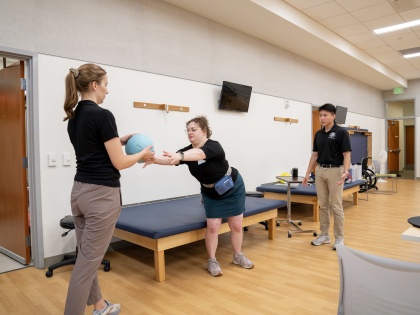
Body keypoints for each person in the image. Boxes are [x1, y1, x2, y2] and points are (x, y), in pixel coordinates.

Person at [63, 63, 154, 315]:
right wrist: (142, 154)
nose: (107, 90)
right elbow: (120, 162)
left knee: (85, 256)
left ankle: (100, 306)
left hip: (79, 192)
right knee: (86, 265)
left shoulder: (74, 118)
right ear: (94, 85)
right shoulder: (103, 115)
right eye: (105, 84)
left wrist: (118, 139)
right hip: (101, 196)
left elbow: (93, 148)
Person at [146, 115, 253, 276]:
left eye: (193, 129)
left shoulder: (214, 146)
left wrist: (180, 156)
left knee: (236, 225)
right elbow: (171, 160)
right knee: (213, 226)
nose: (190, 132)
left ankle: (238, 255)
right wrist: (153, 159)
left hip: (233, 187)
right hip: (211, 192)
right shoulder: (186, 152)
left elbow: (198, 155)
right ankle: (212, 261)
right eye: (187, 130)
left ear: (204, 131)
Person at [302, 103, 351, 250]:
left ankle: (339, 238)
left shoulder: (341, 132)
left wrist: (345, 171)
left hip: (335, 171)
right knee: (323, 205)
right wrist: (307, 173)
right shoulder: (318, 134)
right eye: (320, 115)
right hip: (320, 171)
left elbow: (347, 154)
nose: (322, 118)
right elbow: (315, 155)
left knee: (336, 205)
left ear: (333, 116)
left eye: (325, 115)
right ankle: (324, 235)